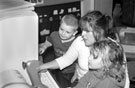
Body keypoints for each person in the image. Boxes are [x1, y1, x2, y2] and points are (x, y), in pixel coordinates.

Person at [38, 10, 129, 88]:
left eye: (87, 31)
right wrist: (42, 67)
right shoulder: (80, 41)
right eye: (83, 30)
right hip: (81, 82)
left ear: (99, 33)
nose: (82, 34)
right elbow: (65, 60)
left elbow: (124, 81)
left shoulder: (113, 49)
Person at [39, 14, 79, 87]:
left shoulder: (76, 42)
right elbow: (50, 40)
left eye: (67, 32)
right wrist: (44, 47)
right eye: (61, 29)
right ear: (59, 25)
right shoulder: (54, 35)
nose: (63, 33)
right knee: (60, 84)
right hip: (59, 68)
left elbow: (78, 61)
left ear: (75, 33)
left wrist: (76, 73)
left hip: (72, 71)